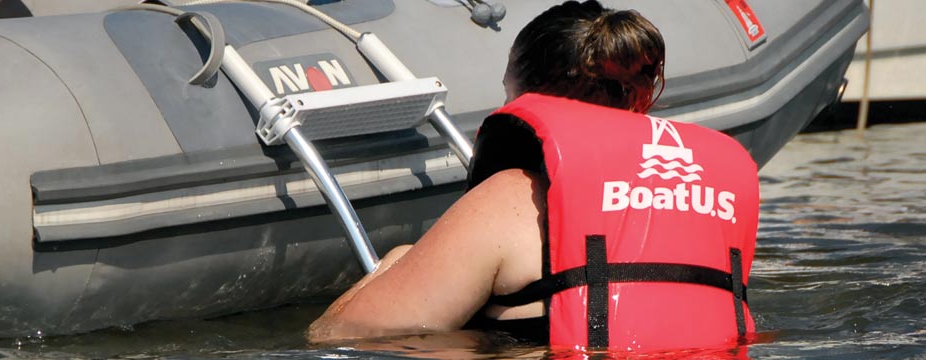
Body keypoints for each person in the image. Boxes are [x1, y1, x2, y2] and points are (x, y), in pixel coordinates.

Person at [308, 0, 760, 353]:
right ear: (638, 101)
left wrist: (396, 264)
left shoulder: (513, 198)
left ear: (526, 100)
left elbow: (340, 337)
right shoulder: (706, 207)